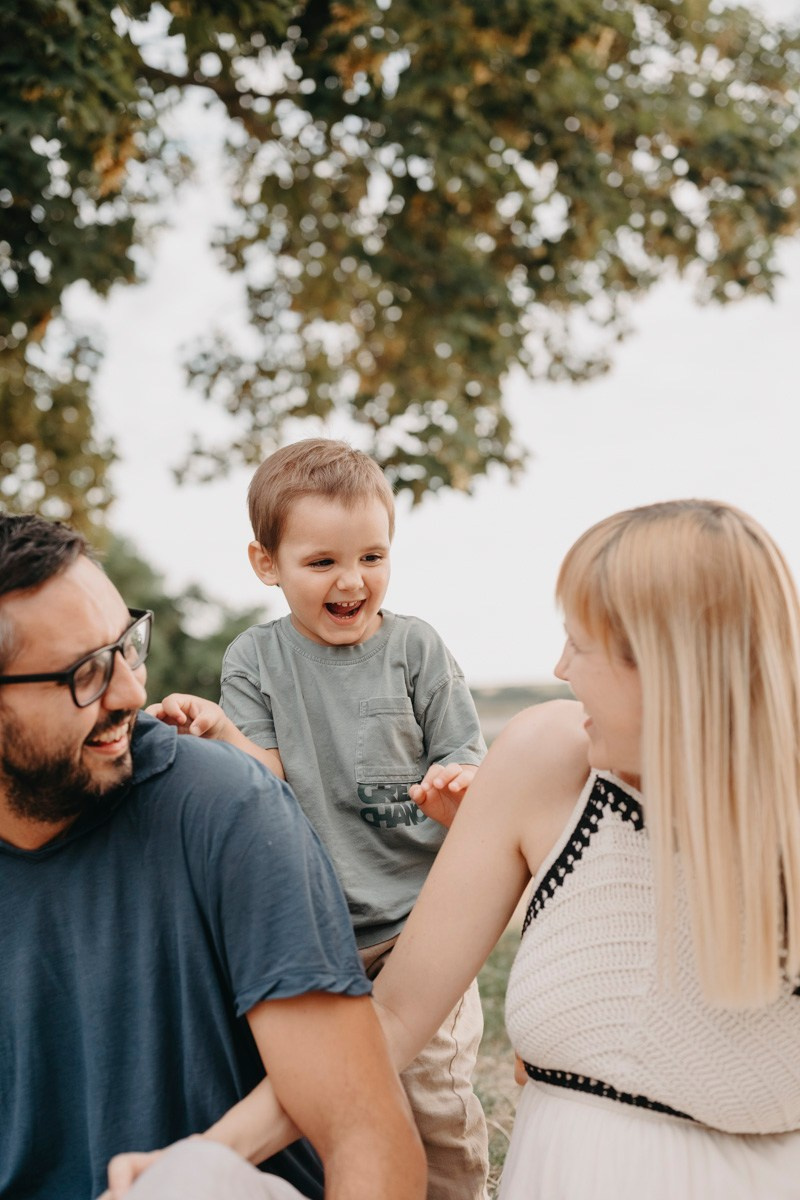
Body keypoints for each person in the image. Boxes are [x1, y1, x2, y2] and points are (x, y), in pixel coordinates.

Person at [222, 499, 800, 1198]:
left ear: (668, 662)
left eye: (580, 644)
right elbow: (390, 1023)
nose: (560, 668)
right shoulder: (543, 760)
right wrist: (209, 1153)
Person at [0, 513, 426, 1200]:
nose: (131, 693)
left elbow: (366, 1136)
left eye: (126, 647)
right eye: (87, 673)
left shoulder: (225, 807)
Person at [149, 438, 490, 1200]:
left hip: (417, 929)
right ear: (266, 563)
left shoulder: (416, 649)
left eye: (372, 556)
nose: (351, 580)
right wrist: (216, 729)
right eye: (322, 561)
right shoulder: (254, 660)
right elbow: (264, 777)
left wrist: (456, 785)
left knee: (433, 1104)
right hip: (319, 934)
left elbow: (465, 755)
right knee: (339, 1105)